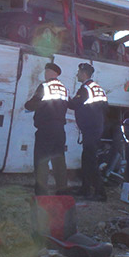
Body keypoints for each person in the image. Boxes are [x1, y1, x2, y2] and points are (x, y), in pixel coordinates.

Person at [23, 62, 68, 195]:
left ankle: (41, 193)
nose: (45, 74)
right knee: (59, 162)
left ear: (51, 72)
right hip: (60, 129)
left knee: (41, 161)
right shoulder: (64, 88)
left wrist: (27, 105)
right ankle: (62, 191)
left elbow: (33, 103)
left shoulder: (45, 86)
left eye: (46, 71)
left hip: (46, 128)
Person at [68, 63, 107, 201]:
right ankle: (85, 189)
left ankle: (100, 192)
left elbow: (73, 104)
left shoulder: (85, 89)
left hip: (90, 129)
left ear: (84, 73)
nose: (77, 74)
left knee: (90, 160)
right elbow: (104, 107)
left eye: (78, 72)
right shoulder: (97, 88)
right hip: (95, 128)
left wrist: (65, 97)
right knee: (86, 159)